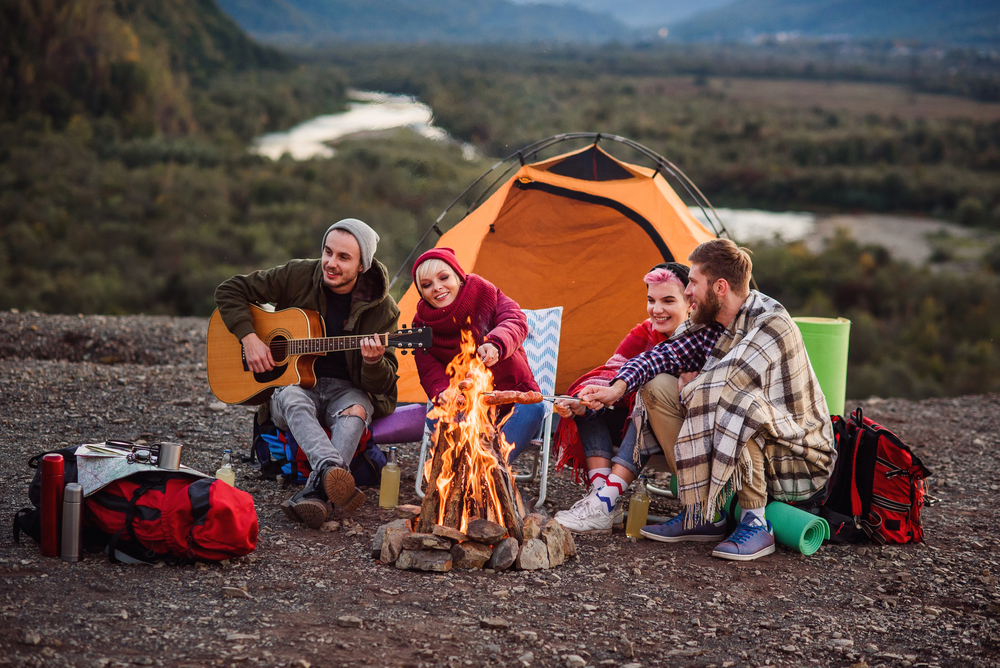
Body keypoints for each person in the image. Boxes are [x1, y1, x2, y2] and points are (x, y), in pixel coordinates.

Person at [578, 239, 837, 561]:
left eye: (693, 282)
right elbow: (663, 354)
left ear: (720, 287)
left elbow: (727, 384)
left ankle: (757, 524)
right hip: (738, 439)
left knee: (741, 403)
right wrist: (617, 388)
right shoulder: (711, 321)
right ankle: (702, 512)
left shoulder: (771, 322)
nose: (687, 291)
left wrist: (695, 381)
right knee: (656, 384)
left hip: (796, 453)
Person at [215, 218, 399, 529]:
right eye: (328, 252)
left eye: (343, 258)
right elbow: (229, 290)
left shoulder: (383, 310)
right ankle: (331, 474)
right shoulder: (298, 273)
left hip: (347, 390)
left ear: (362, 266)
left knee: (356, 410)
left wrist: (373, 362)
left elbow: (382, 383)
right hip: (297, 386)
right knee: (290, 396)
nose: (331, 263)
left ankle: (317, 492)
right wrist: (249, 338)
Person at [552, 262, 692, 534]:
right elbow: (611, 376)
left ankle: (605, 500)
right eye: (651, 300)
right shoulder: (643, 332)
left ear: (691, 304)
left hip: (679, 436)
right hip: (636, 431)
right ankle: (601, 499)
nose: (657, 309)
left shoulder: (699, 339)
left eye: (668, 300)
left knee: (646, 394)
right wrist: (586, 403)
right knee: (588, 392)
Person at [411, 247, 544, 464]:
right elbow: (429, 370)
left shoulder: (487, 293)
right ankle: (469, 475)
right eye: (427, 285)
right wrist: (443, 392)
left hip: (513, 401)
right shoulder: (421, 325)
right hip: (466, 405)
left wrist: (496, 344)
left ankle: (488, 470)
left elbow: (515, 321)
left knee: (535, 407)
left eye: (444, 277)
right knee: (439, 416)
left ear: (459, 276)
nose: (437, 288)